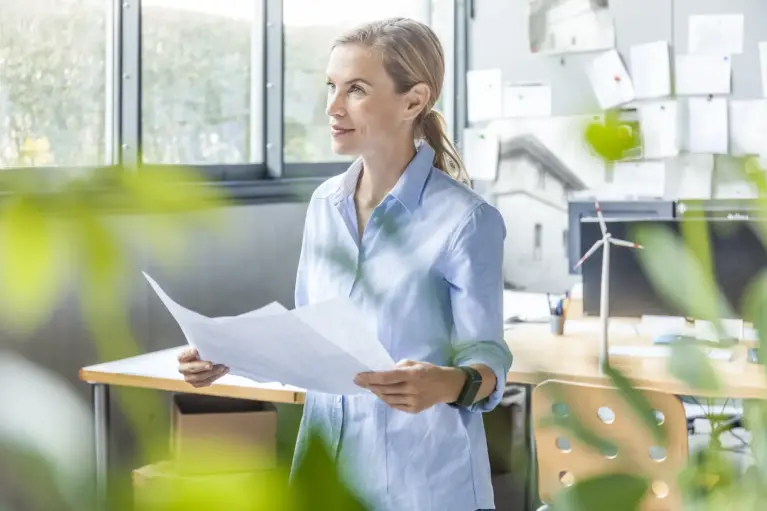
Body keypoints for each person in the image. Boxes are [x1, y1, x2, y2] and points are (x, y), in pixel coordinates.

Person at [177, 17, 512, 511]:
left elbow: (489, 358)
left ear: (413, 101)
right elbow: (309, 339)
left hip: (422, 484)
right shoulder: (324, 204)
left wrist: (445, 382)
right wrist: (230, 355)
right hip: (328, 477)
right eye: (332, 87)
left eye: (355, 89)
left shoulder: (466, 220)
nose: (332, 108)